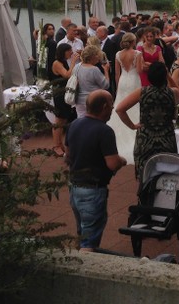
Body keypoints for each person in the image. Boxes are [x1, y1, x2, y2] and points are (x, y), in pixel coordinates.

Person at [65, 89, 127, 252]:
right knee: (89, 243)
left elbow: (67, 156)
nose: (112, 109)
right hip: (92, 190)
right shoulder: (104, 131)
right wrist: (122, 160)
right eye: (111, 106)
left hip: (74, 188)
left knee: (82, 235)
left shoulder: (74, 124)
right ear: (104, 107)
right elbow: (112, 164)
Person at [115, 62, 179, 178]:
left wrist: (132, 126)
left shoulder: (142, 92)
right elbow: (178, 90)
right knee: (166, 177)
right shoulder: (172, 93)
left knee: (145, 175)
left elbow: (120, 109)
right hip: (166, 139)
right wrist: (168, 76)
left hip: (145, 140)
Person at [106, 32, 143, 162]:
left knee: (120, 104)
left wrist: (117, 86)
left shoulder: (118, 54)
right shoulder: (137, 54)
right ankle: (136, 128)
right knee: (136, 104)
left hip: (122, 81)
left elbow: (116, 73)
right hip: (134, 80)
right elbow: (139, 70)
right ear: (133, 42)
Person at [50, 42, 80, 156]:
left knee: (63, 120)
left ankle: (59, 143)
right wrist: (73, 62)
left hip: (63, 92)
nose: (71, 53)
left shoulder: (62, 62)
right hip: (59, 93)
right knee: (59, 119)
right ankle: (56, 146)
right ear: (63, 51)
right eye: (69, 51)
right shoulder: (57, 63)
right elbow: (67, 75)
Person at [73, 45, 110, 119]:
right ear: (91, 57)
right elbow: (105, 85)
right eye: (96, 55)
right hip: (92, 101)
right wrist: (106, 70)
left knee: (81, 121)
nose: (98, 57)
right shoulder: (94, 69)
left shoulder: (77, 67)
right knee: (93, 121)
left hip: (78, 100)